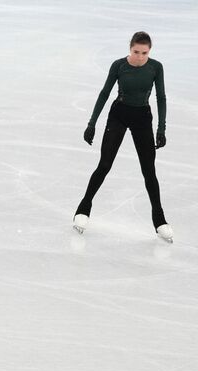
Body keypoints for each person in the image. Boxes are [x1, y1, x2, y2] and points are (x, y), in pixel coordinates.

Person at [73, 31, 172, 243]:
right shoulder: (119, 66)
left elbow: (161, 97)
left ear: (149, 51)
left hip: (142, 117)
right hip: (119, 114)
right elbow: (104, 93)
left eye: (144, 53)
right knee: (104, 165)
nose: (140, 57)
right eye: (136, 52)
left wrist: (161, 128)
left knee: (149, 171)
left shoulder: (156, 68)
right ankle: (83, 209)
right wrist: (91, 124)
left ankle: (160, 221)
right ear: (130, 48)